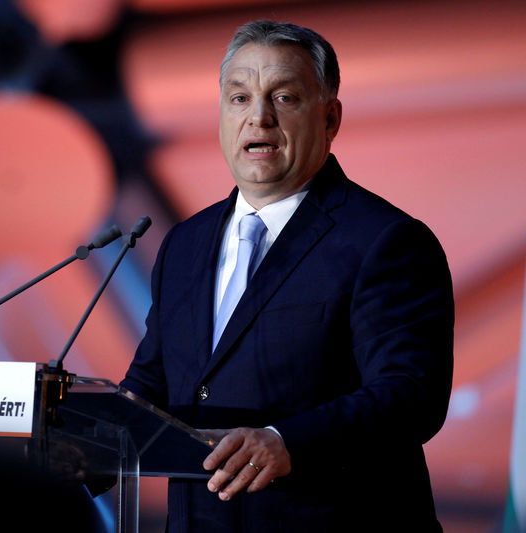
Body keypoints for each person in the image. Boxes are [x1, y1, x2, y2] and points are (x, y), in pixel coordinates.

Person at [121, 20, 454, 532]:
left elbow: (411, 396)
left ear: (330, 117)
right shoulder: (184, 243)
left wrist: (285, 441)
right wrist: (70, 442)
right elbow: (151, 386)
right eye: (239, 98)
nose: (259, 117)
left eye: (284, 97)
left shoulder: (386, 241)